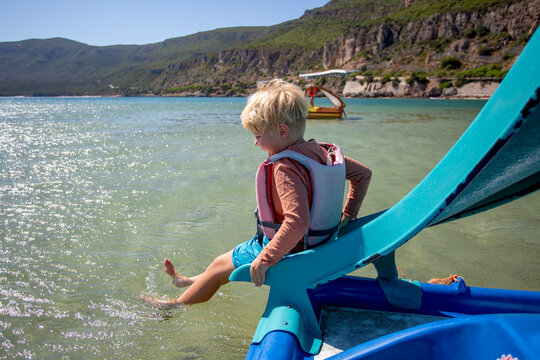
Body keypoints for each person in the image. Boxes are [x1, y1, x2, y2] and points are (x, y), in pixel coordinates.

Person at [140, 80, 372, 309]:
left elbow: (297, 221)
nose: (255, 143)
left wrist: (266, 258)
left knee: (219, 271)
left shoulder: (286, 168)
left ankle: (172, 307)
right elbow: (363, 175)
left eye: (259, 136)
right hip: (319, 239)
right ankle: (188, 281)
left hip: (288, 248)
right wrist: (347, 215)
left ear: (282, 130)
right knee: (219, 263)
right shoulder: (321, 152)